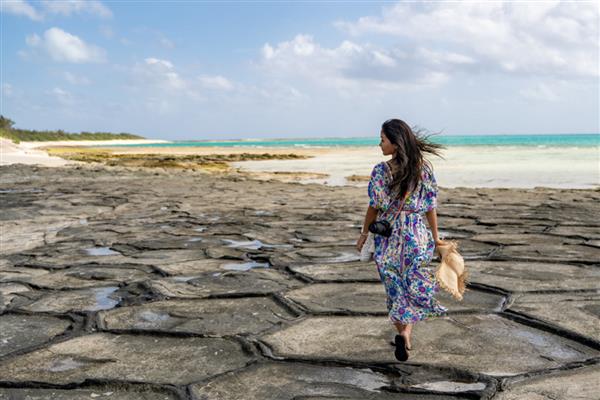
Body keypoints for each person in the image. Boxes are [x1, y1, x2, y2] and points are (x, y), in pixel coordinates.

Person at [356, 118, 448, 362]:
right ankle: (407, 334)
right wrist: (436, 238)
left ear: (395, 143)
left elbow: (374, 207)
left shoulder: (381, 170)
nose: (379, 144)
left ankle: (403, 332)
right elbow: (431, 206)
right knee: (412, 286)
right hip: (417, 234)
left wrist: (364, 234)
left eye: (383, 139)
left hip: (389, 237)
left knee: (395, 290)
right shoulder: (424, 168)